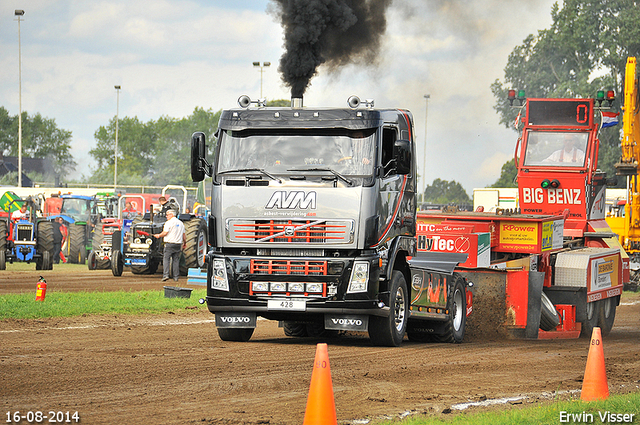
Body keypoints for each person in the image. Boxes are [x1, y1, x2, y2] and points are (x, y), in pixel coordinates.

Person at [153, 209, 186, 282]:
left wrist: (159, 235)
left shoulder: (168, 223)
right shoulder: (181, 223)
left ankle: (166, 275)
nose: (166, 216)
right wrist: (184, 243)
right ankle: (176, 277)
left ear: (172, 214)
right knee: (176, 260)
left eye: (167, 214)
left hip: (169, 244)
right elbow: (184, 235)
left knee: (166, 259)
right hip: (178, 244)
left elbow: (165, 233)